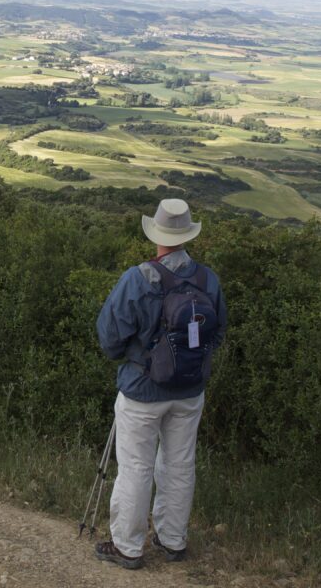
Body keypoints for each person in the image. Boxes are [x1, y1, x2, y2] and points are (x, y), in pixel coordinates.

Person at [93, 198, 227, 569]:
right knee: (180, 464)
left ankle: (128, 547)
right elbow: (218, 333)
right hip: (190, 392)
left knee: (136, 467)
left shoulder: (138, 278)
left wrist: (139, 358)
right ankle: (172, 540)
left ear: (156, 233)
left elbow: (109, 338)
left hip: (142, 390)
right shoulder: (207, 279)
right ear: (186, 235)